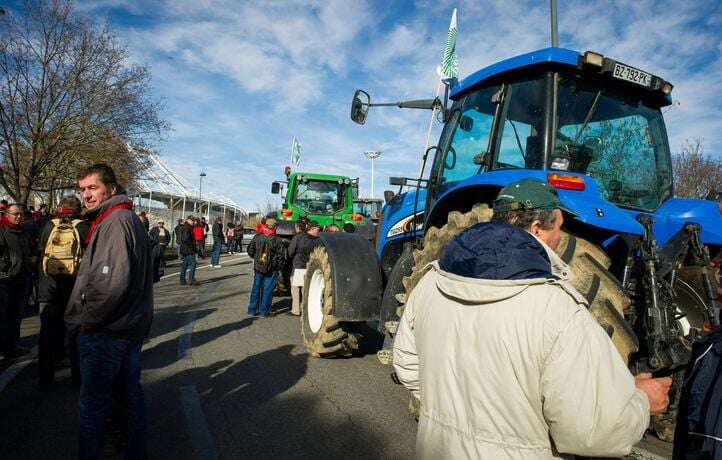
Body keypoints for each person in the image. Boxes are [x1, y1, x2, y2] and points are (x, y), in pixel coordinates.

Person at [393, 178, 672, 459]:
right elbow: (592, 433)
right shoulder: (559, 309)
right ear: (537, 229)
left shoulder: (430, 283)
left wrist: (454, 406)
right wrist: (640, 402)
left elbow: (406, 365)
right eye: (560, 227)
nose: (560, 238)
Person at [65, 163, 153, 459]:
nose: (86, 195)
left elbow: (110, 284)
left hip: (108, 331)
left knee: (92, 406)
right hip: (126, 327)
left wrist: (87, 321)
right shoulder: (120, 217)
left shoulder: (115, 221)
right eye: (82, 190)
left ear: (111, 189)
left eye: (92, 188)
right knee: (129, 397)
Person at [37, 196, 89, 390]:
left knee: (47, 333)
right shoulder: (84, 226)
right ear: (78, 209)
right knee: (75, 332)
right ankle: (78, 377)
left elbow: (41, 251)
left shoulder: (47, 225)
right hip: (73, 288)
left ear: (60, 208)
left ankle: (45, 378)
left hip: (48, 287)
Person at [0, 203, 33, 362]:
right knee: (3, 316)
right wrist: (6, 269)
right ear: (6, 215)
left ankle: (12, 347)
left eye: (21, 214)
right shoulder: (2, 231)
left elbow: (28, 252)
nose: (19, 217)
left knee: (16, 315)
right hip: (5, 281)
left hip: (22, 280)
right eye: (15, 214)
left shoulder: (23, 232)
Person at [246, 218, 285, 317]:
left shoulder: (258, 236)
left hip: (258, 266)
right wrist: (278, 267)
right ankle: (264, 311)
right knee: (268, 290)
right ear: (275, 227)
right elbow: (281, 256)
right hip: (271, 269)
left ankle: (252, 310)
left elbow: (250, 250)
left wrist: (256, 258)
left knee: (256, 288)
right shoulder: (277, 239)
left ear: (266, 225)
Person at [287, 220, 322, 316]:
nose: (318, 230)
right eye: (317, 229)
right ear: (312, 229)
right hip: (311, 268)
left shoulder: (298, 238)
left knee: (295, 289)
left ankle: (296, 310)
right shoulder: (320, 240)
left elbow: (290, 252)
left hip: (299, 266)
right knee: (306, 290)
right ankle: (306, 310)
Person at [178, 215, 198, 286]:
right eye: (192, 221)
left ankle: (182, 280)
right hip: (188, 249)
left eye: (194, 221)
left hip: (185, 249)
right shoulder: (187, 227)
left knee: (185, 264)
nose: (194, 222)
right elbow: (185, 239)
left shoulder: (187, 227)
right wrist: (192, 246)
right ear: (188, 220)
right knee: (193, 263)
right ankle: (191, 279)